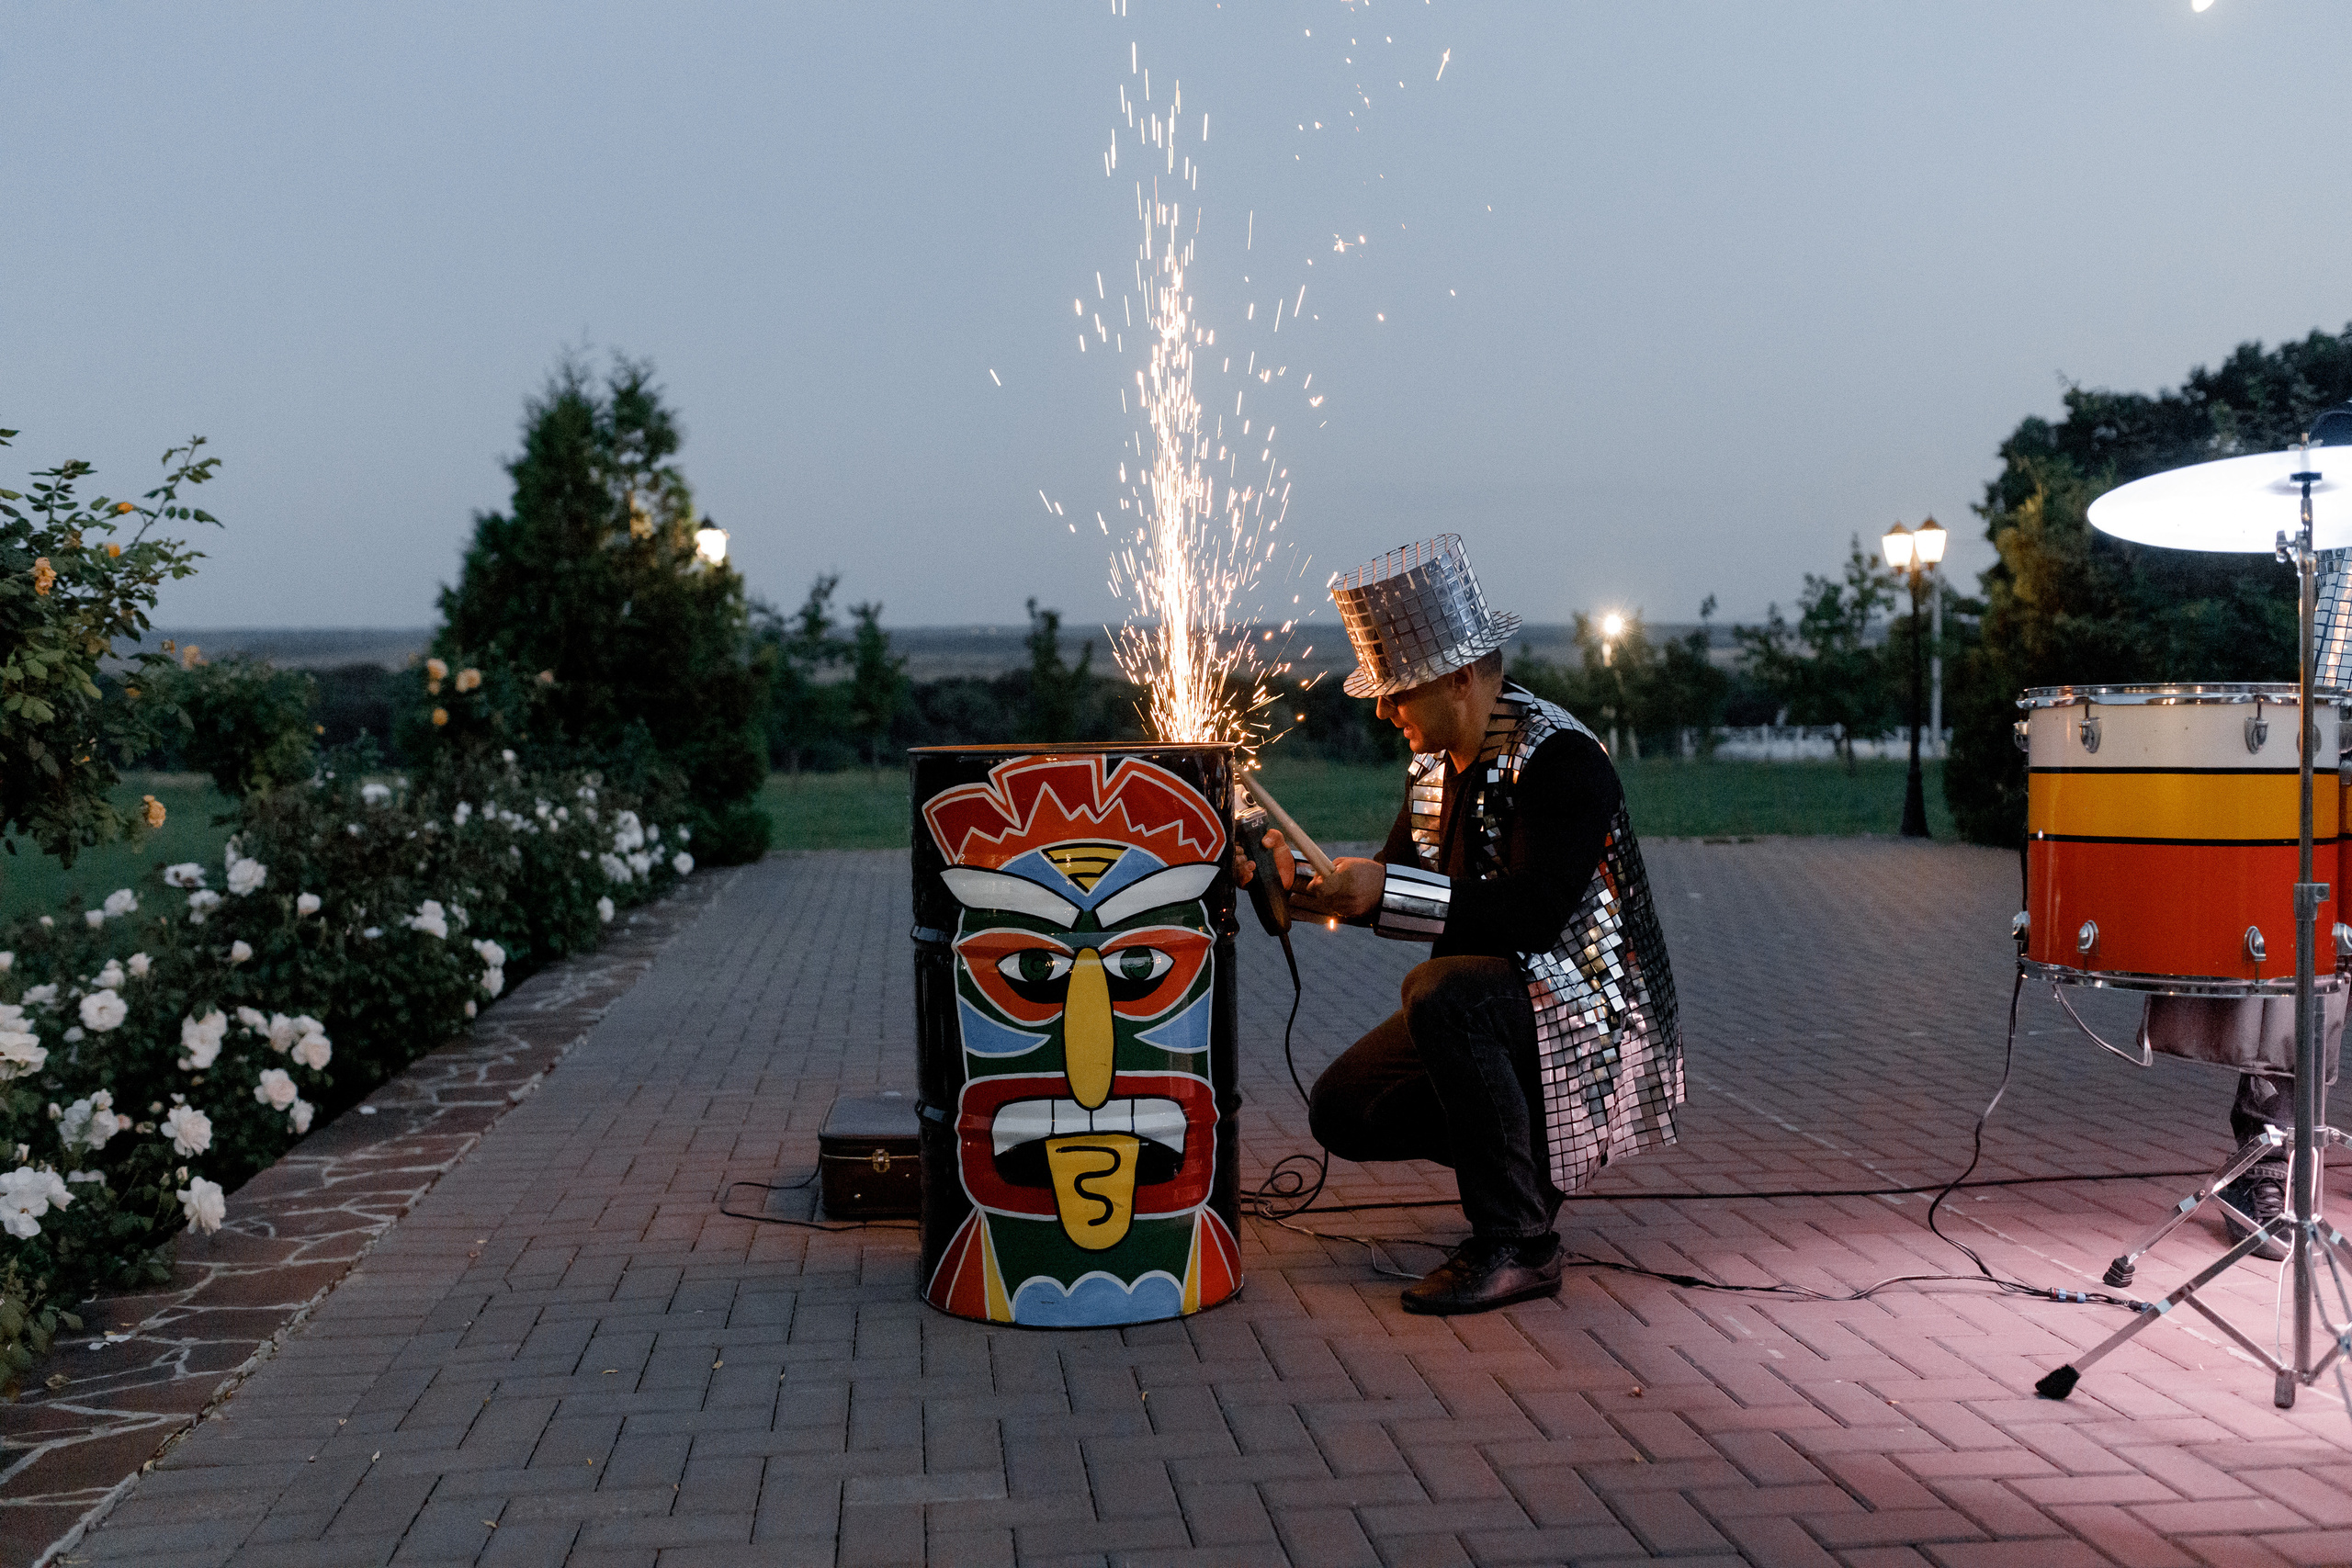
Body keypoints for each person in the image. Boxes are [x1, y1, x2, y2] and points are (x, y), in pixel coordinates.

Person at [1240, 536, 1682, 1314]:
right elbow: (1380, 882)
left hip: (1594, 1023)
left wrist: (1384, 892)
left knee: (1443, 991)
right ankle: (1527, 1165)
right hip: (1507, 1007)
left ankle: (1519, 1240)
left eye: (1398, 690)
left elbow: (1534, 916)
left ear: (1459, 676)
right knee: (1343, 1106)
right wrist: (1297, 889)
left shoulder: (1563, 761)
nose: (1382, 709)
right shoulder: (1432, 769)